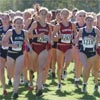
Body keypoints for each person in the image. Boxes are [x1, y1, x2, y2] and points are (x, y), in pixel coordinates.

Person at [2, 16, 32, 99]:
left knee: (17, 73)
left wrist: (30, 47)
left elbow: (26, 40)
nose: (19, 24)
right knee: (11, 74)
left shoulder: (24, 32)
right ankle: (9, 77)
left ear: (22, 24)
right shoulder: (10, 32)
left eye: (20, 23)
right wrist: (11, 45)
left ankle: (15, 92)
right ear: (14, 24)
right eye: (17, 23)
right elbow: (3, 43)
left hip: (20, 54)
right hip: (10, 54)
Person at [28, 7, 52, 96]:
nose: (43, 15)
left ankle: (39, 88)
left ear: (47, 15)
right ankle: (31, 82)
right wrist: (38, 35)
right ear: (39, 14)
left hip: (43, 48)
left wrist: (50, 41)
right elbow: (29, 35)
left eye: (45, 13)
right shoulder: (35, 23)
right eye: (42, 13)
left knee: (41, 68)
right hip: (35, 47)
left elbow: (50, 37)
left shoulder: (48, 25)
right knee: (32, 68)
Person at [52, 8, 77, 89]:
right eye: (64, 14)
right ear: (61, 15)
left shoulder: (72, 24)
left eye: (67, 14)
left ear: (69, 15)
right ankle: (59, 83)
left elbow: (76, 33)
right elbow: (53, 35)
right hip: (60, 46)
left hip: (68, 45)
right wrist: (57, 37)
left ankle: (64, 69)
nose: (65, 15)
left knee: (69, 60)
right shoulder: (58, 25)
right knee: (59, 65)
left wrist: (74, 39)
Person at [77, 15, 100, 92]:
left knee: (95, 70)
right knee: (86, 67)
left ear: (93, 22)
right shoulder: (81, 30)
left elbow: (99, 38)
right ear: (85, 21)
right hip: (83, 51)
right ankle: (84, 84)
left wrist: (95, 39)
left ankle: (96, 84)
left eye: (91, 20)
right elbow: (77, 37)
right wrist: (77, 43)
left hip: (93, 52)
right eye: (88, 20)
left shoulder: (95, 30)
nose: (89, 22)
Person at [0, 13, 12, 95]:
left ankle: (10, 78)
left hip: (11, 51)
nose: (4, 20)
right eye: (3, 18)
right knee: (1, 70)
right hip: (1, 51)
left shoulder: (13, 29)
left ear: (9, 19)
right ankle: (4, 88)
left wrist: (9, 43)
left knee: (10, 71)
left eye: (6, 18)